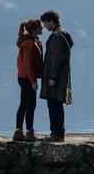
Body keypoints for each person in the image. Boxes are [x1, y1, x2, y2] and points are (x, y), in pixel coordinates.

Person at [39, 10, 73, 142]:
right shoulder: (64, 33)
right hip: (61, 76)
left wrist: (52, 77)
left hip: (54, 78)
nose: (45, 26)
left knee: (53, 106)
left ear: (51, 21)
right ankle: (58, 132)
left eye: (45, 23)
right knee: (57, 105)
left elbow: (55, 58)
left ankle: (56, 134)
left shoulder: (56, 36)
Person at [14, 19, 43, 142]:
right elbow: (28, 63)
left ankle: (19, 131)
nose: (42, 29)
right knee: (30, 105)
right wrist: (33, 81)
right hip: (27, 77)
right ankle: (29, 132)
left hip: (24, 76)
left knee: (24, 104)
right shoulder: (29, 43)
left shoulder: (31, 41)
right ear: (35, 29)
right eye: (40, 27)